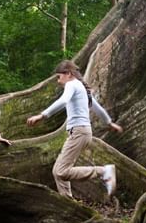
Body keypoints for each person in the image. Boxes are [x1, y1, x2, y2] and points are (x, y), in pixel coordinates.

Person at [26, 60, 123, 198]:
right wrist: (109, 123)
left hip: (79, 132)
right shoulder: (82, 88)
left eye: (59, 77)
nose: (58, 81)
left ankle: (103, 172)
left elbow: (64, 100)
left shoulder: (71, 84)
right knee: (58, 172)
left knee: (61, 172)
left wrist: (42, 116)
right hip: (81, 133)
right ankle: (68, 203)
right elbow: (98, 108)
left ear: (68, 74)